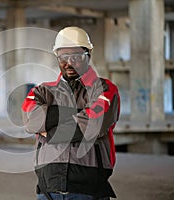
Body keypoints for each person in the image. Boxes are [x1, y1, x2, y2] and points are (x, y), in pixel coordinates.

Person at [21, 26, 120, 200]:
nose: (69, 62)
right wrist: (80, 113)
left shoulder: (104, 89)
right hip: (48, 190)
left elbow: (93, 125)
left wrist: (48, 130)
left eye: (77, 56)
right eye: (63, 57)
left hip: (89, 191)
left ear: (88, 55)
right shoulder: (42, 91)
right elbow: (31, 121)